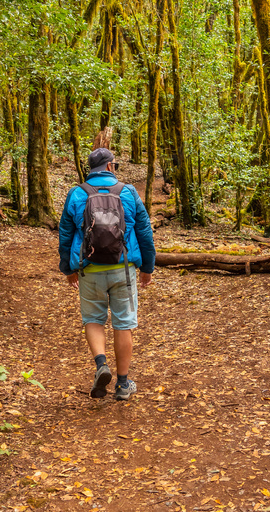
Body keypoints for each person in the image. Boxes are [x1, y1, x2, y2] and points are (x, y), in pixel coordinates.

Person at [58, 147, 155, 401]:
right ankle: (123, 384)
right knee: (123, 323)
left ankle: (101, 364)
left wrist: (68, 268)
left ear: (91, 169)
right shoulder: (129, 192)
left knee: (93, 319)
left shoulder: (77, 194)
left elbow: (66, 234)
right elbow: (145, 231)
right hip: (122, 268)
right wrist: (147, 267)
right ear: (110, 166)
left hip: (89, 268)